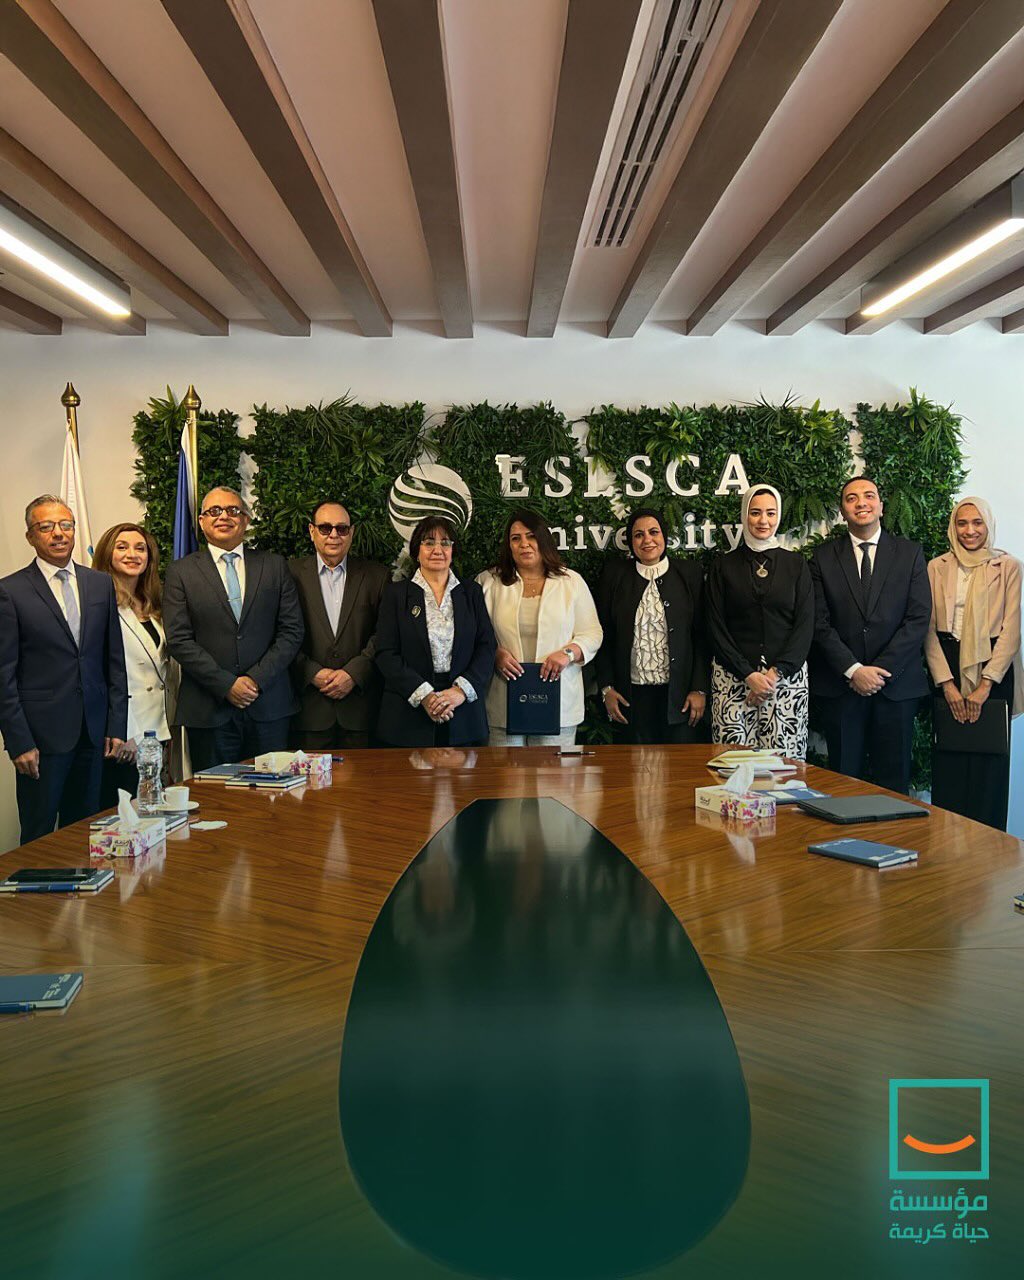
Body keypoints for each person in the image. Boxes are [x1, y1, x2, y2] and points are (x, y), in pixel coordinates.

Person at [0, 495, 127, 843]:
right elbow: (3, 677)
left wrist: (116, 725)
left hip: (94, 733)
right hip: (41, 740)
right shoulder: (10, 592)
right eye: (46, 526)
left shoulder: (99, 583)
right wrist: (19, 742)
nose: (58, 533)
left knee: (85, 833)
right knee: (39, 836)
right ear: (31, 536)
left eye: (65, 525)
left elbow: (113, 661)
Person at [163, 486, 304, 771]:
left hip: (269, 707)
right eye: (214, 511)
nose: (223, 516)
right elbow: (179, 639)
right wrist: (226, 684)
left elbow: (291, 631)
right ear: (202, 521)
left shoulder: (274, 566)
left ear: (246, 520)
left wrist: (255, 680)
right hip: (208, 710)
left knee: (272, 794)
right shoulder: (181, 572)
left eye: (232, 510)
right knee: (215, 794)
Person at [810, 476, 931, 794]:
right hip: (842, 687)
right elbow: (819, 622)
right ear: (842, 511)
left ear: (881, 506)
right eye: (851, 498)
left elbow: (918, 618)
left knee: (893, 787)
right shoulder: (823, 557)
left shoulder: (910, 554)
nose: (861, 502)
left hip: (896, 688)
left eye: (868, 496)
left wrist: (879, 671)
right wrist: (854, 670)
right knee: (842, 785)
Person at [925, 496, 1024, 830]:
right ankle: (948, 853)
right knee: (949, 766)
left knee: (989, 770)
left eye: (977, 522)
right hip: (948, 663)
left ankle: (989, 854)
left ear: (988, 525)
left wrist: (985, 686)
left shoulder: (1009, 566)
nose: (969, 530)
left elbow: (1011, 631)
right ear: (953, 527)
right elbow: (928, 630)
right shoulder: (936, 566)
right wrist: (947, 684)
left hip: (994, 667)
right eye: (962, 523)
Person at [477, 510, 602, 747]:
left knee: (554, 771)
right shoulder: (488, 581)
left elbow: (592, 633)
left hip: (558, 703)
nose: (524, 544)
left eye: (531, 536)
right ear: (509, 546)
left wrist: (568, 654)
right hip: (503, 701)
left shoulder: (571, 582)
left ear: (543, 539)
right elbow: (474, 633)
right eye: (516, 538)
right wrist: (494, 653)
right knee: (506, 770)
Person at [707, 486, 813, 757]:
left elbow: (805, 625)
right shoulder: (723, 566)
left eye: (770, 513)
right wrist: (748, 674)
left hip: (786, 682)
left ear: (779, 516)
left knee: (784, 770)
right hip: (733, 680)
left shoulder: (796, 565)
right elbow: (715, 626)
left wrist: (774, 674)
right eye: (755, 513)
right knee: (733, 766)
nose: (763, 520)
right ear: (744, 515)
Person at [376, 516, 495, 747]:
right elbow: (385, 653)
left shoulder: (471, 592)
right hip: (408, 713)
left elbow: (487, 647)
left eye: (445, 543)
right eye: (429, 542)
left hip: (463, 711)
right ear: (416, 551)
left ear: (453, 550)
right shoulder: (396, 594)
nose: (437, 550)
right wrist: (425, 696)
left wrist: (460, 692)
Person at [594, 507, 706, 743]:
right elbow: (603, 635)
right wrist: (606, 689)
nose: (647, 540)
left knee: (679, 763)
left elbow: (702, 636)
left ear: (664, 535)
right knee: (635, 763)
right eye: (639, 535)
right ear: (631, 541)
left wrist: (699, 689)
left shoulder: (690, 574)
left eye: (654, 532)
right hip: (629, 697)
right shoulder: (614, 576)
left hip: (680, 697)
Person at [289, 501, 390, 751]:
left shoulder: (377, 576)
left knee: (363, 778)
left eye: (342, 529)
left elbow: (385, 633)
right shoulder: (288, 574)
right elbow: (280, 632)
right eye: (325, 528)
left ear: (351, 532)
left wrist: (354, 673)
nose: (334, 535)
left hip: (360, 712)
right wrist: (311, 673)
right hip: (308, 711)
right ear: (312, 531)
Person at [92, 522, 174, 807]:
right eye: (122, 547)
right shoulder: (99, 605)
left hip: (158, 728)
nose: (133, 554)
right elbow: (100, 675)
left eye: (140, 548)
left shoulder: (153, 605)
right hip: (126, 734)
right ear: (107, 554)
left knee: (154, 813)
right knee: (123, 815)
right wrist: (125, 731)